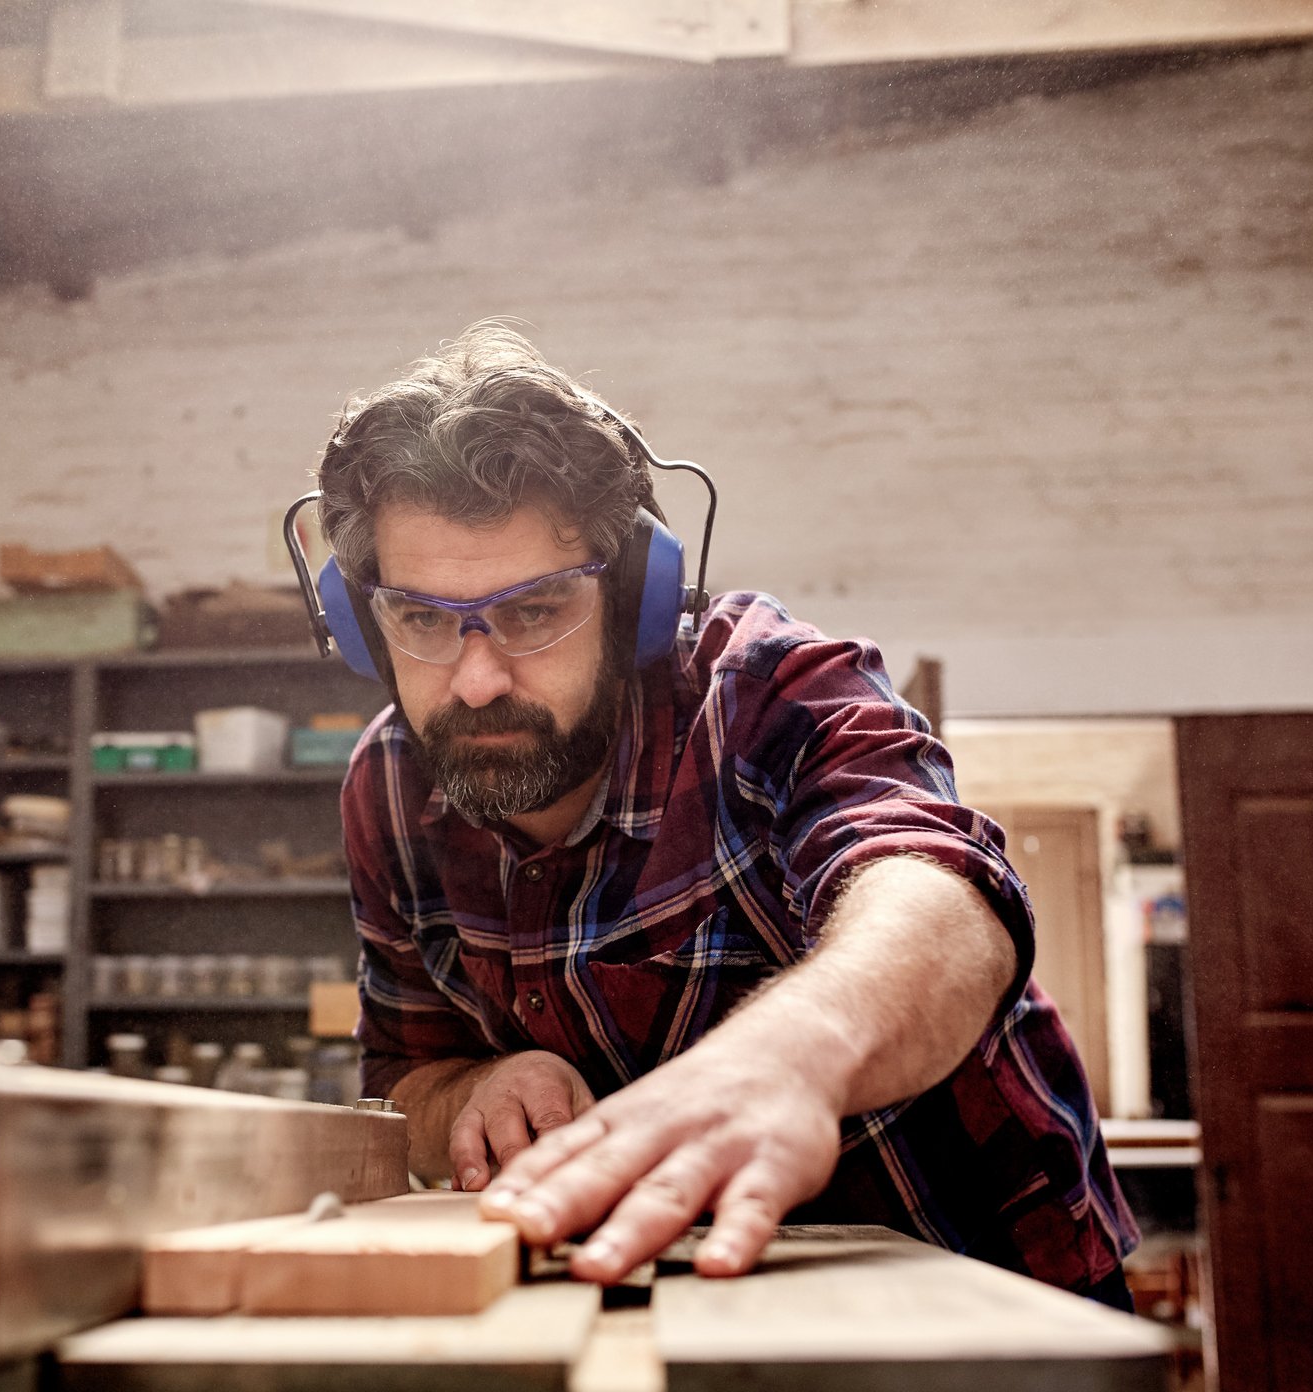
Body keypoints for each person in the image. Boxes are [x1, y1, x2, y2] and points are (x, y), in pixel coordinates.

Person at [313, 323, 1137, 1305]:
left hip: (979, 1279)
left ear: (633, 606)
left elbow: (942, 895)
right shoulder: (389, 786)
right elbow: (407, 1075)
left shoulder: (765, 686)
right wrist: (472, 1094)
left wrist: (790, 1058)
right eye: (423, 619)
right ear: (367, 622)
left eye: (534, 613)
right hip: (675, 1299)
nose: (478, 679)